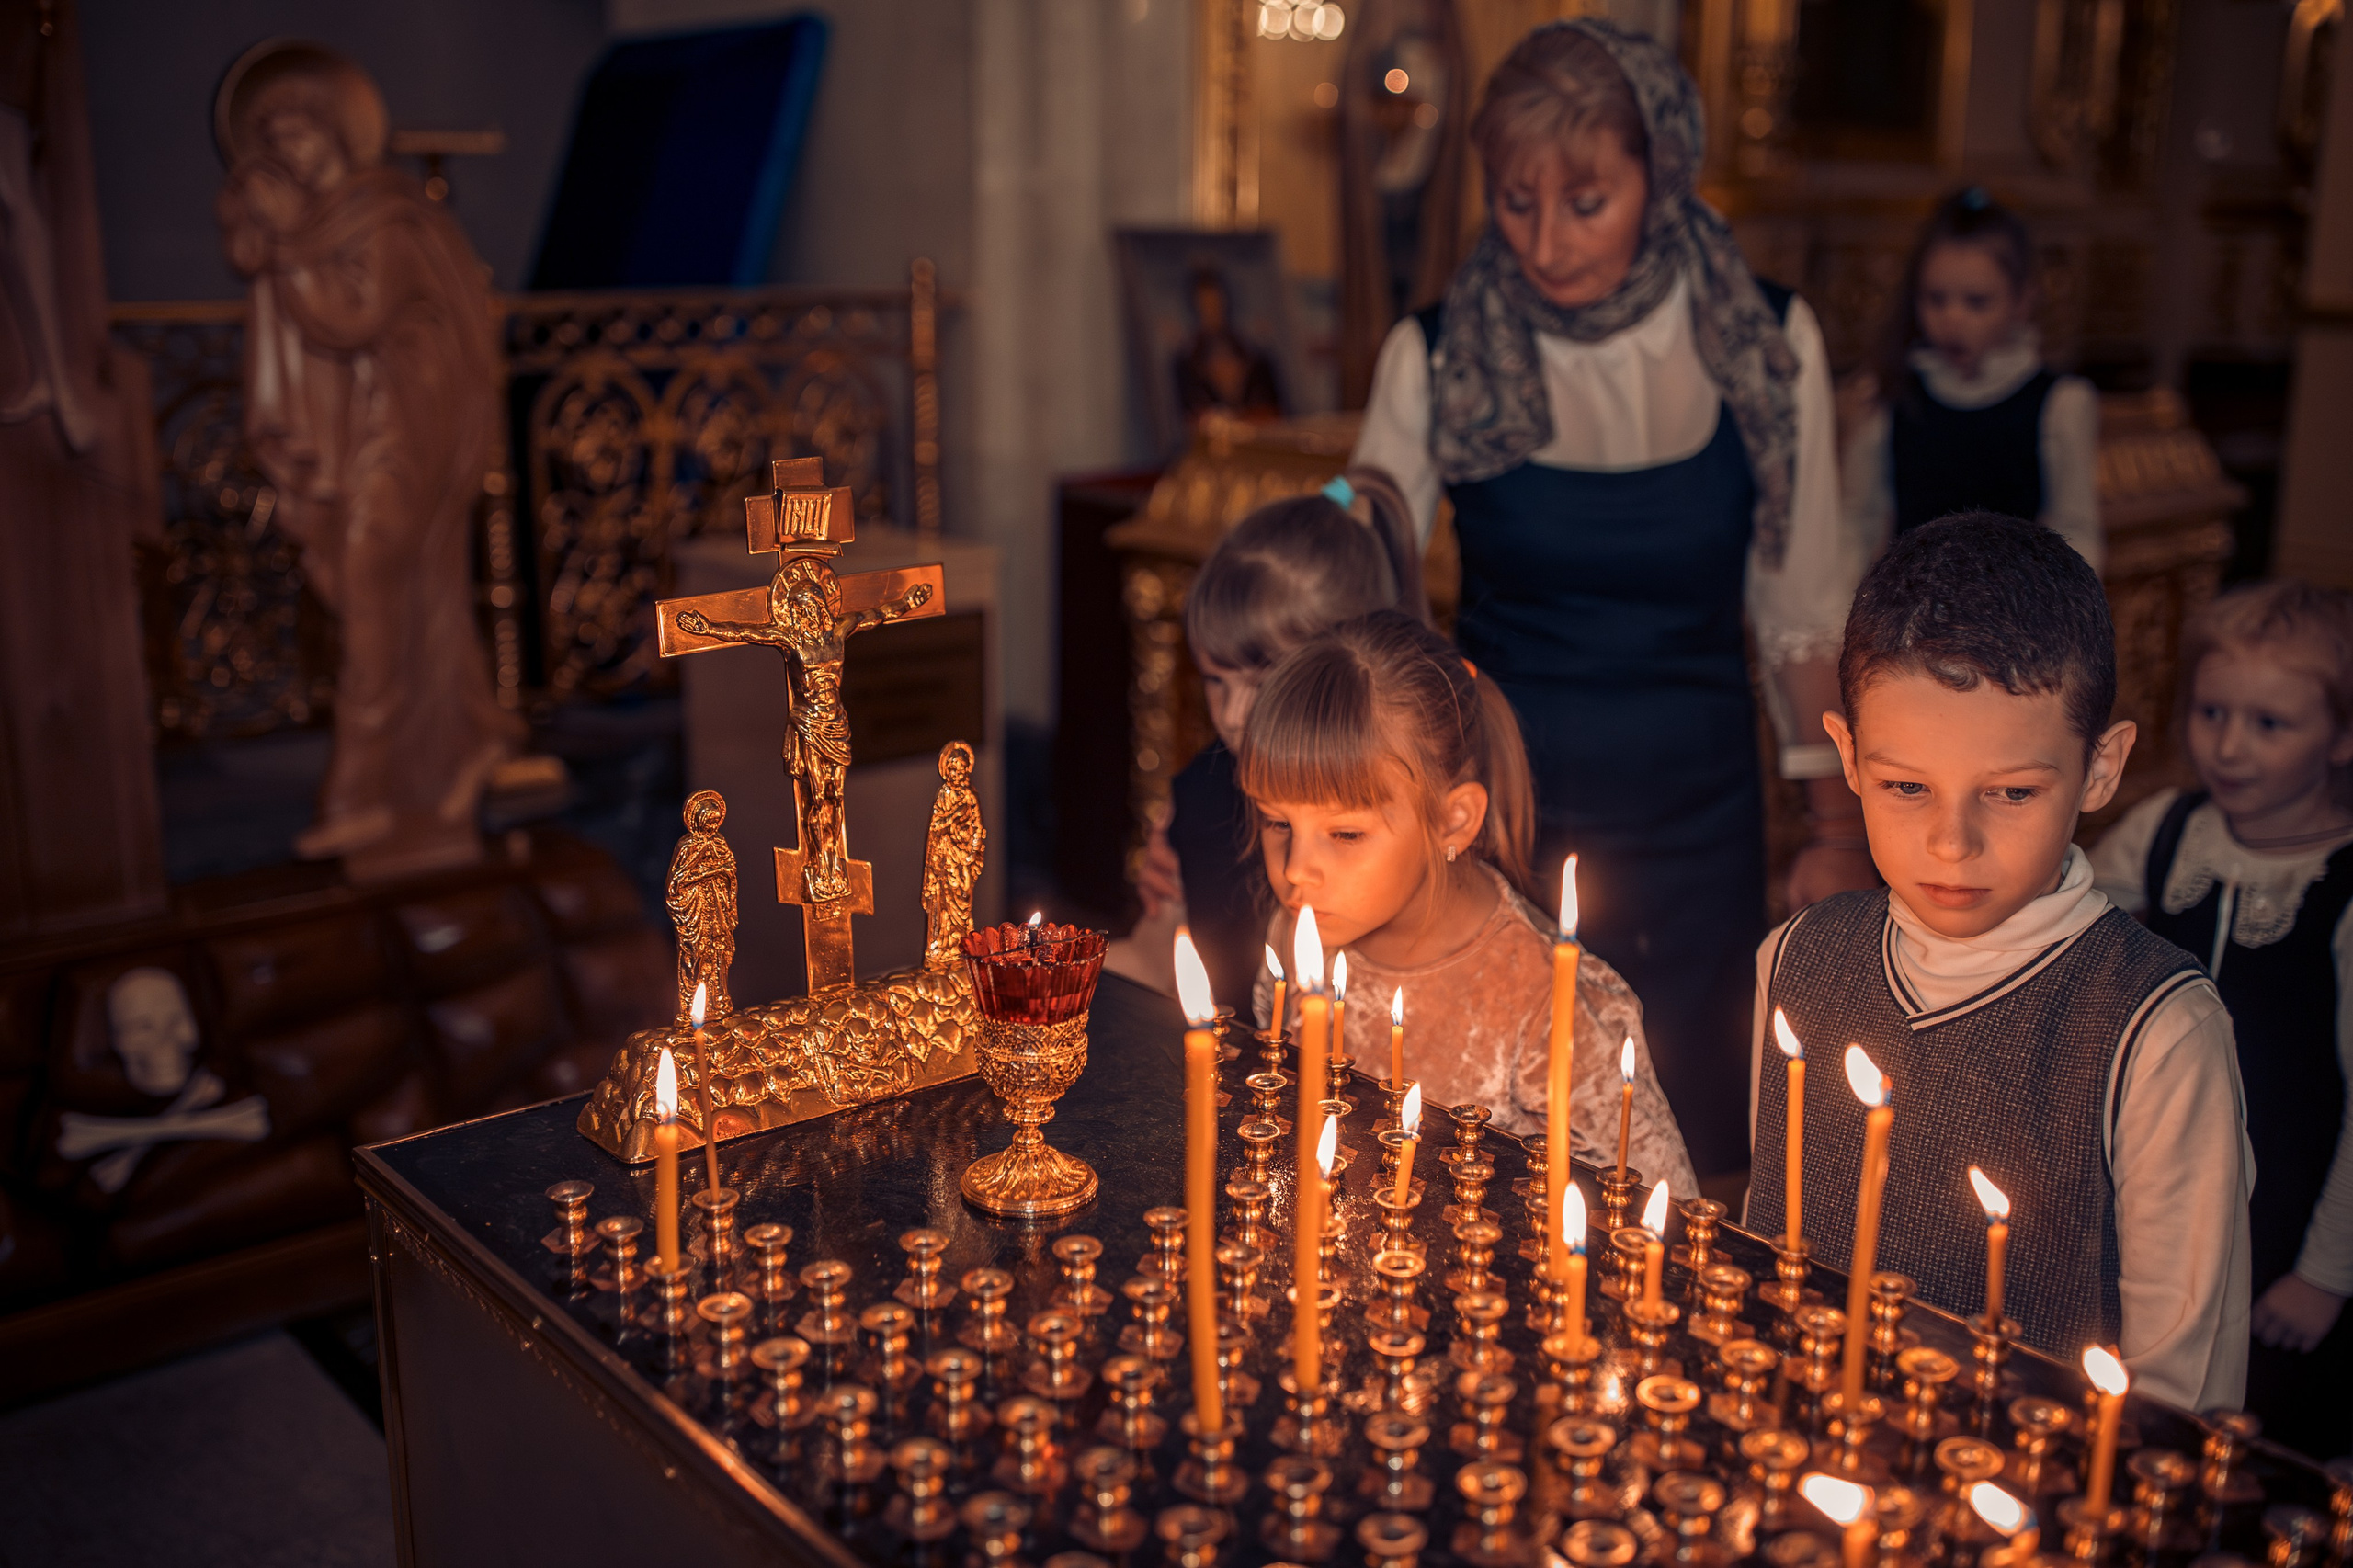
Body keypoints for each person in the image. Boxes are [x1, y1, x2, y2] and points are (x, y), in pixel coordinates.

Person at [1350, 20, 1870, 1181]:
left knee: (1687, 1150)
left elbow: (1798, 606)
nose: (1541, 241)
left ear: (1660, 173)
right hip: (1503, 819)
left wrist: (1838, 832)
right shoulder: (1434, 355)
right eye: (1515, 200)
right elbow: (1365, 598)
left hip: (1699, 812)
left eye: (1584, 200)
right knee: (1503, 1154)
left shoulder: (1764, 340)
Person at [1745, 514, 2251, 1411]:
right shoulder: (1796, 959)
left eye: (2011, 792)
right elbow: (1765, 1235)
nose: (1951, 842)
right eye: (1906, 786)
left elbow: (2183, 1385)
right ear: (1849, 755)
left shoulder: (2157, 1028)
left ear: (2100, 769)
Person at [1241, 610, 1698, 1193]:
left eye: (1346, 834)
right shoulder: (1300, 933)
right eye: (1277, 822)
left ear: (1452, 820)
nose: (1295, 869)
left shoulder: (1549, 1001)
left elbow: (1658, 1220)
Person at [2089, 580, 2353, 1455]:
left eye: (2270, 725)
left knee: (2262, 1435)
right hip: (2164, 1171)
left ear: (2343, 738)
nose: (2229, 747)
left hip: (2289, 1216)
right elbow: (2074, 921)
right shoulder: (2168, 831)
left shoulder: (2343, 892)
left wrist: (2324, 1275)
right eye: (2211, 712)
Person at [1114, 472, 1425, 1007]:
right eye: (1215, 680)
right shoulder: (1203, 792)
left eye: (1263, 682)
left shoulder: (1407, 802)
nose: (1233, 716)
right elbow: (1162, 954)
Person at [1845, 188, 2102, 570]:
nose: (1953, 319)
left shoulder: (2059, 404)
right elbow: (1856, 529)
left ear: (2021, 302)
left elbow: (2078, 536)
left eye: (1977, 302)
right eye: (1935, 299)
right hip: (1913, 614)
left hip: (2010, 618)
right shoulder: (1891, 392)